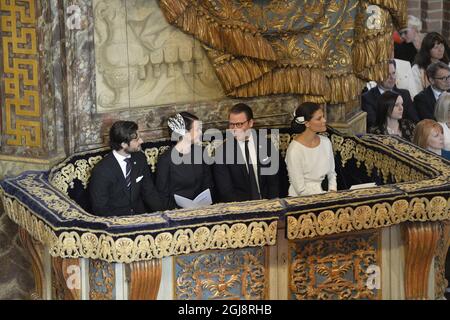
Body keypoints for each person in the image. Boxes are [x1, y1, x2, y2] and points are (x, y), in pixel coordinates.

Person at [89, 121, 164, 216]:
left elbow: (149, 192)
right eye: (137, 140)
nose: (141, 141)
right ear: (124, 144)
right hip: (116, 221)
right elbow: (100, 208)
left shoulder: (140, 158)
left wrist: (164, 214)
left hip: (141, 216)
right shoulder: (101, 171)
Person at [213, 103, 280, 202]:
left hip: (268, 204)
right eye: (232, 124)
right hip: (240, 208)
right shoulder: (221, 153)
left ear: (251, 123)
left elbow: (274, 183)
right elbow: (226, 191)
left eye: (239, 124)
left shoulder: (267, 146)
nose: (235, 129)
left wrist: (271, 205)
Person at [155, 112, 215, 209]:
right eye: (198, 129)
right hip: (176, 213)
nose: (201, 132)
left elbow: (208, 184)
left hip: (203, 208)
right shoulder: (165, 160)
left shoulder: (201, 152)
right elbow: (163, 194)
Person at [285, 102, 337, 196]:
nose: (324, 120)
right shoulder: (294, 150)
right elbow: (300, 189)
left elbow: (332, 174)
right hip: (301, 201)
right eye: (319, 118)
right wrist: (322, 199)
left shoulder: (326, 142)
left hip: (325, 195)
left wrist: (332, 192)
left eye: (323, 116)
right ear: (307, 123)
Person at [361, 59, 418, 129]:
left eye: (393, 73)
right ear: (377, 76)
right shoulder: (368, 98)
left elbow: (415, 121)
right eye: (387, 74)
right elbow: (373, 124)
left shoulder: (404, 94)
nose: (392, 77)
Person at [410, 32, 450, 97]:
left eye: (442, 46)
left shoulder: (447, 65)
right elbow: (416, 93)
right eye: (436, 47)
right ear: (427, 50)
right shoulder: (417, 69)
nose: (440, 50)